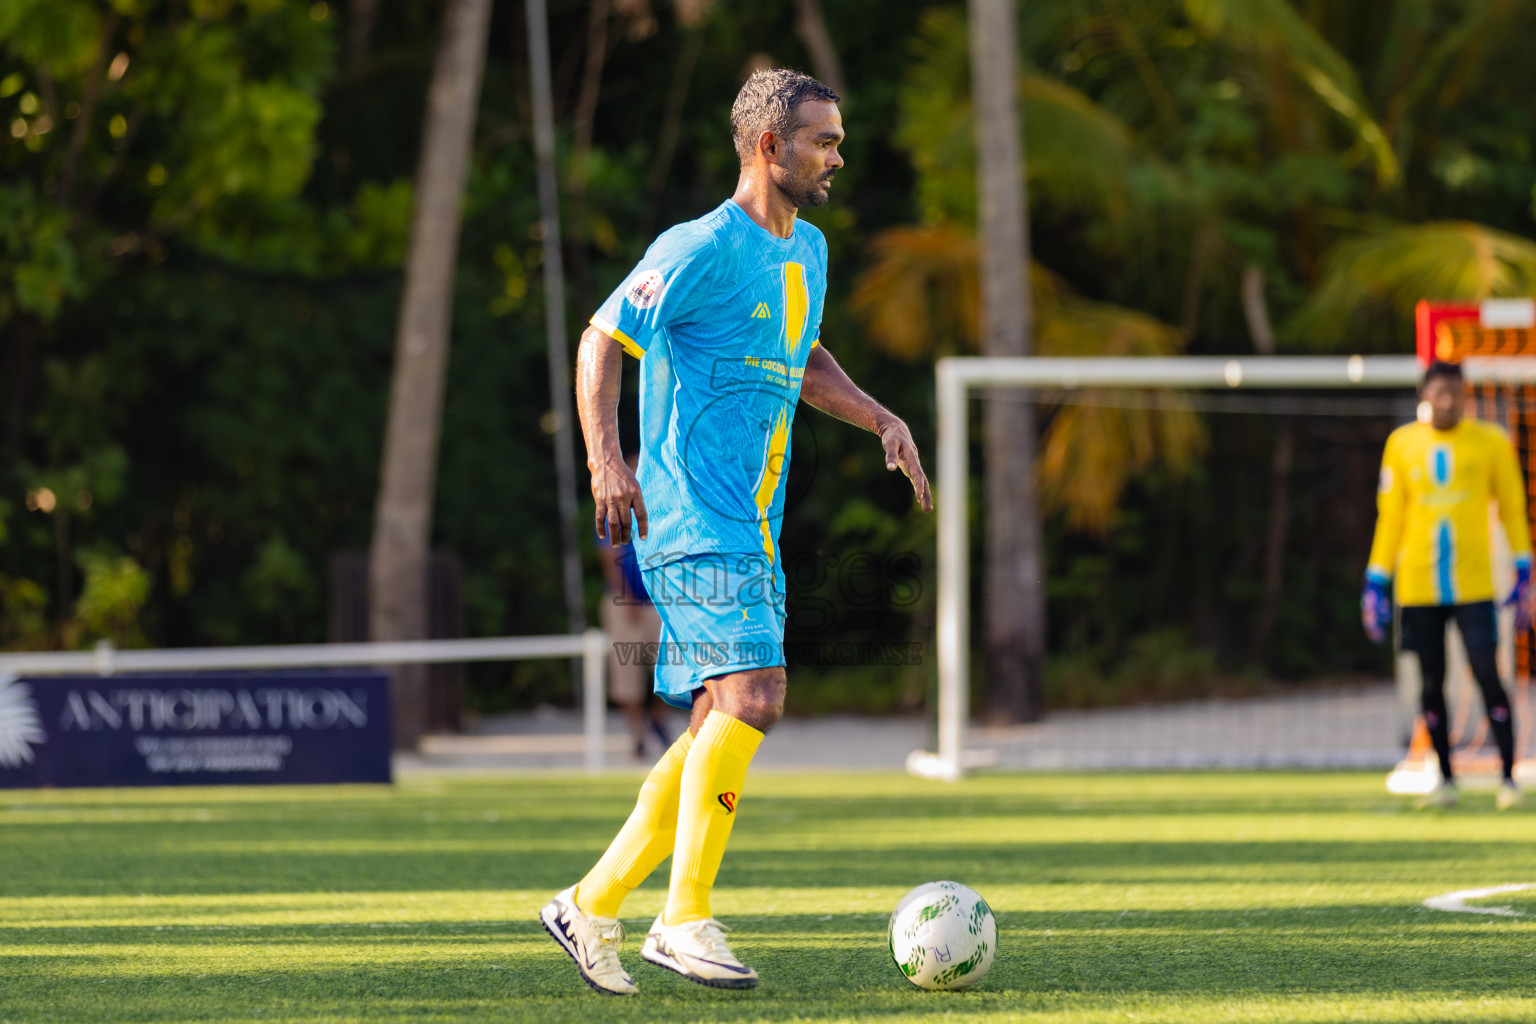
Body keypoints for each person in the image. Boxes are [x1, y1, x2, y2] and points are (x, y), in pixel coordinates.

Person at [541, 68, 932, 995]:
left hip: (751, 519)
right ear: (770, 147)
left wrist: (879, 416)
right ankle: (684, 917)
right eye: (823, 141)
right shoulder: (699, 246)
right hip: (685, 512)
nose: (837, 155)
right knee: (754, 696)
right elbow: (602, 337)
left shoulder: (810, 251)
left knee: (718, 715)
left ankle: (590, 904)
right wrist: (606, 460)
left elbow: (798, 358)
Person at [1363, 360, 1530, 810]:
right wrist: (1376, 580)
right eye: (1439, 392)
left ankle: (1509, 778)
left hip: (1474, 586)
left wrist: (1523, 566)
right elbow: (1390, 517)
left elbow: (1513, 509)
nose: (1448, 400)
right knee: (1430, 682)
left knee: (1486, 673)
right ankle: (1446, 780)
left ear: (1465, 395)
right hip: (1418, 588)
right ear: (1424, 396)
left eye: (1455, 392)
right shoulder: (1401, 445)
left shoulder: (1490, 443)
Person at [596, 453, 672, 761]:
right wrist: (626, 598)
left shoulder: (666, 505)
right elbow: (608, 556)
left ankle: (657, 719)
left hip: (662, 602)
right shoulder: (614, 506)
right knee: (625, 672)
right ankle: (637, 734)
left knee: (673, 666)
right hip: (626, 603)